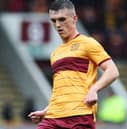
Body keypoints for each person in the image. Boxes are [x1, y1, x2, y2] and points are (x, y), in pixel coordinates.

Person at [28, 0, 119, 129]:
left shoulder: (88, 43)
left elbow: (113, 70)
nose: (58, 25)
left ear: (74, 19)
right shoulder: (55, 53)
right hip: (53, 117)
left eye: (62, 19)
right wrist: (46, 111)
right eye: (53, 20)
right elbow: (62, 89)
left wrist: (94, 89)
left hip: (79, 115)